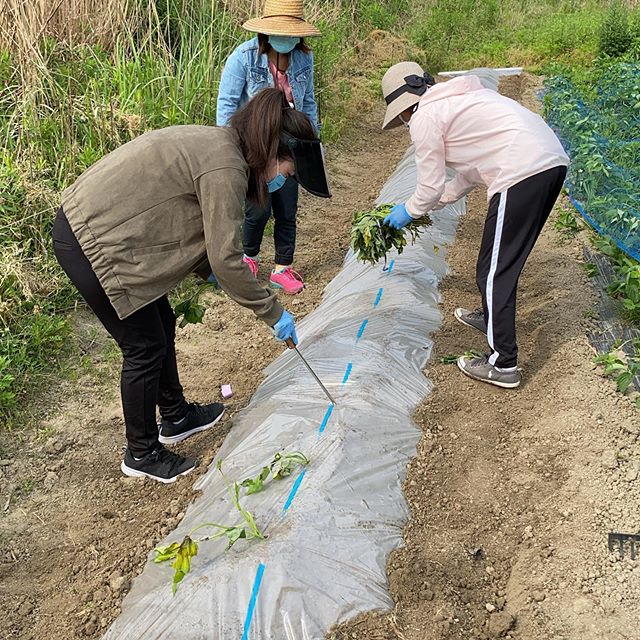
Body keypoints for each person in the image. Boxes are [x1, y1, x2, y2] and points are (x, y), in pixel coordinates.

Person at [52, 88, 330, 483]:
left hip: (113, 234)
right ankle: (141, 453)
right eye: (285, 173)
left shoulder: (225, 149)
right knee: (144, 345)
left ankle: (176, 416)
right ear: (272, 151)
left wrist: (212, 271)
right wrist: (273, 312)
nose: (282, 183)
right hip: (90, 238)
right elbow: (227, 257)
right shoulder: (226, 167)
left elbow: (197, 231)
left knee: (161, 325)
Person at [380, 62, 569, 389]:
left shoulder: (424, 116)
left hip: (521, 168)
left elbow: (428, 187)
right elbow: (469, 170)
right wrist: (435, 202)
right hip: (545, 162)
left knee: (496, 270)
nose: (404, 122)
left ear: (404, 108)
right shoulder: (452, 102)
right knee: (490, 262)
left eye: (400, 117)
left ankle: (503, 364)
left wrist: (408, 212)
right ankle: (490, 318)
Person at [216, 0, 321, 295]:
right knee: (258, 209)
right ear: (266, 32)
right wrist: (230, 150)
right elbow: (226, 107)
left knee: (287, 207)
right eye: (280, 32)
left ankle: (281, 268)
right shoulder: (243, 58)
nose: (286, 39)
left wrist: (310, 143)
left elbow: (309, 102)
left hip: (288, 143)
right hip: (255, 144)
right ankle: (249, 258)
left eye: (292, 34)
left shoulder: (303, 60)